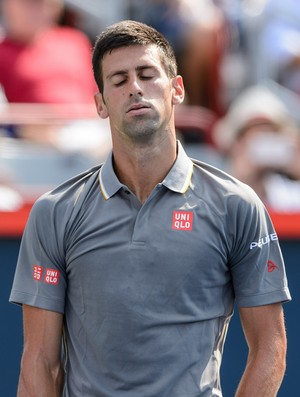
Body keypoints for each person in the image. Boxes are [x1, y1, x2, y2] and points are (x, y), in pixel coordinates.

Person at [10, 20, 291, 397]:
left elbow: (270, 348)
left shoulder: (237, 206)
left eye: (147, 74)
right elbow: (39, 362)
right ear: (100, 103)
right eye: (119, 80)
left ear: (177, 89)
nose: (135, 88)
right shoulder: (55, 213)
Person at [213, 84, 300, 212]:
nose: (264, 138)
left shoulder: (288, 192)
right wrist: (242, 177)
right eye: (256, 131)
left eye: (271, 133)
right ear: (237, 143)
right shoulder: (214, 186)